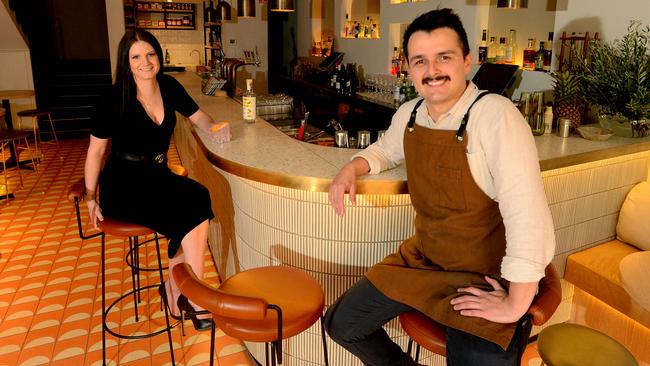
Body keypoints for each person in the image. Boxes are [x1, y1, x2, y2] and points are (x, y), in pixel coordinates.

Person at [325, 8, 555, 366]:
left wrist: (514, 303)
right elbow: (386, 149)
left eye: (443, 58)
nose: (431, 71)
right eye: (420, 61)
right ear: (409, 67)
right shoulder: (411, 112)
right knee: (343, 323)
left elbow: (528, 217)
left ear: (467, 61)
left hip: (484, 275)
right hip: (425, 260)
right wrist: (353, 167)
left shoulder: (495, 116)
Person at [83, 29, 230, 331]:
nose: (145, 62)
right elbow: (96, 152)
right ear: (126, 62)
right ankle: (196, 296)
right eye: (136, 56)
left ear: (158, 57)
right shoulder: (112, 98)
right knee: (188, 209)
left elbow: (199, 117)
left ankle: (175, 287)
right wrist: (89, 196)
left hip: (157, 175)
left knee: (198, 196)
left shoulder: (169, 86)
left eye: (150, 54)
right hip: (123, 184)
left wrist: (216, 128)